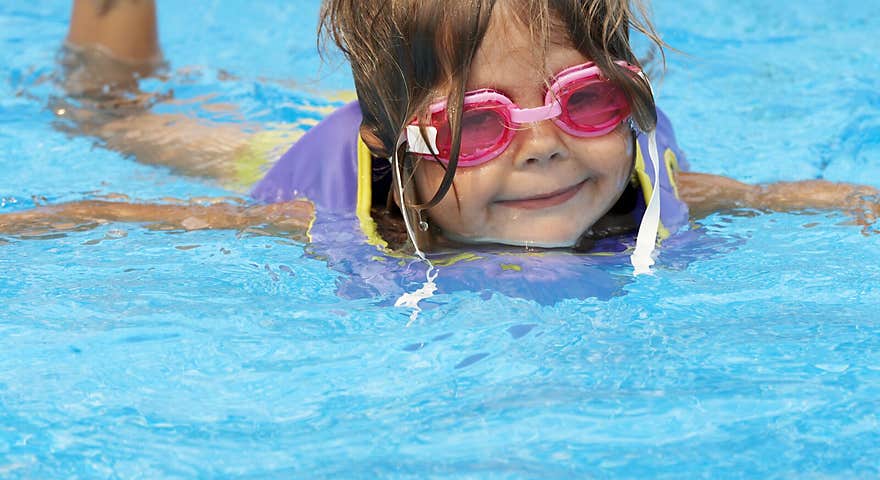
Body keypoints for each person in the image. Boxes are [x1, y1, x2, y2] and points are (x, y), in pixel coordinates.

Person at [3, 0, 878, 279]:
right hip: (309, 151)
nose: (545, 149)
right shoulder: (337, 214)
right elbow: (139, 216)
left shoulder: (647, 180)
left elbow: (769, 199)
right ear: (395, 145)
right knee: (112, 116)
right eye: (482, 124)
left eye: (586, 102)